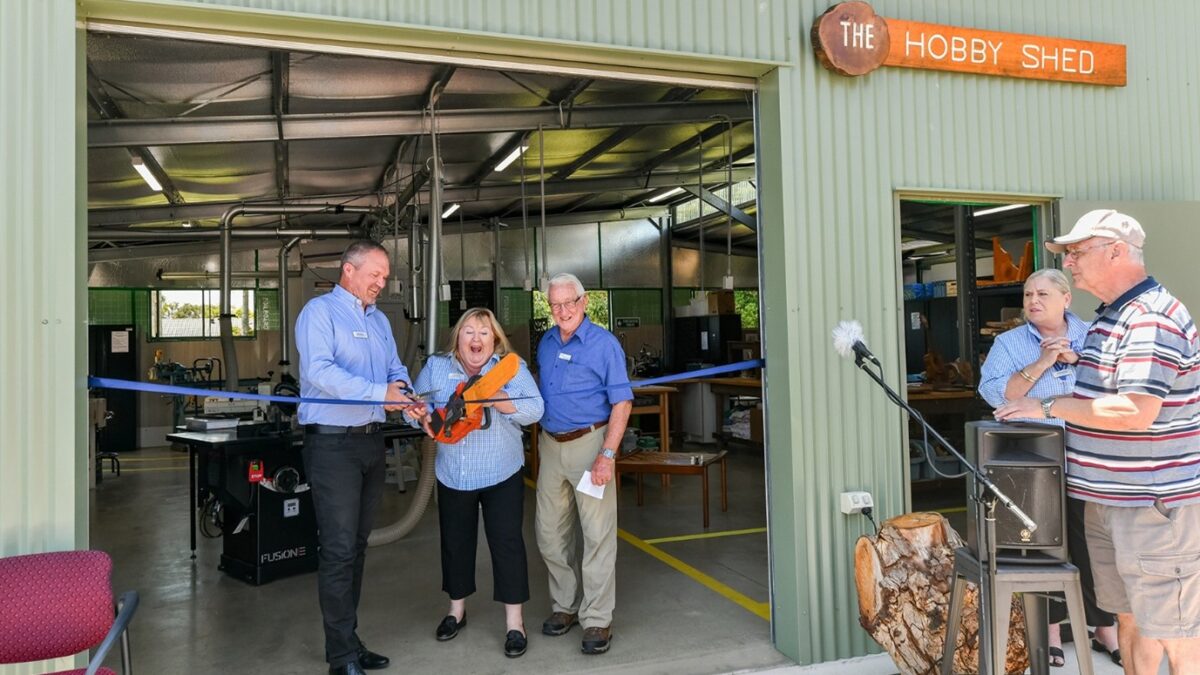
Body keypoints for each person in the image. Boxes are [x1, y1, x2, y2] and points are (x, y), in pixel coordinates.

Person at [996, 209, 1200, 674]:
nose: (1069, 262)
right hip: (1108, 502)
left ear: (1116, 252)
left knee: (1175, 631)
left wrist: (1047, 407)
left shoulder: (1149, 319)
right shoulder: (1111, 318)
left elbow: (1134, 410)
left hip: (1151, 507)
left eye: (1077, 252)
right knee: (1129, 618)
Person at [977, 268, 1118, 667]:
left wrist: (1077, 360)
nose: (1033, 301)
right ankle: (1052, 630)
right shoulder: (1009, 343)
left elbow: (1116, 389)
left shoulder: (1093, 335)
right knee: (1042, 547)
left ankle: (1103, 628)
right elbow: (995, 394)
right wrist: (1042, 362)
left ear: (1066, 299)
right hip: (1034, 460)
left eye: (1041, 294)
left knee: (1092, 543)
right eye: (1026, 295)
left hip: (1090, 456)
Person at [296, 240, 424, 675]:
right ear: (348, 270)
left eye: (385, 277)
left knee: (355, 547)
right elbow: (319, 371)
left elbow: (394, 370)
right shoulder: (319, 314)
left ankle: (348, 640)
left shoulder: (381, 321)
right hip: (332, 446)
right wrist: (378, 393)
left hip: (371, 441)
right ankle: (341, 656)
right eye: (375, 274)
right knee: (336, 549)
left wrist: (406, 396)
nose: (381, 283)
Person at [411, 308, 543, 658]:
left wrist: (502, 401)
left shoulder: (509, 368)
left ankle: (515, 624)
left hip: (502, 472)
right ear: (457, 338)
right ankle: (457, 611)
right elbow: (414, 407)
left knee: (507, 544)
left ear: (495, 339)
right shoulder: (438, 368)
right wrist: (419, 415)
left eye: (484, 333)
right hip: (454, 473)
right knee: (456, 543)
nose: (476, 339)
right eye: (468, 332)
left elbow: (536, 410)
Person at [535, 273, 633, 655]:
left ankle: (596, 619)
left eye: (568, 303)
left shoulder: (603, 344)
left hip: (591, 443)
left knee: (596, 536)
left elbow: (622, 403)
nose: (561, 311)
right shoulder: (545, 342)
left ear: (584, 301)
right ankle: (565, 607)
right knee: (549, 533)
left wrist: (607, 454)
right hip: (550, 446)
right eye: (554, 305)